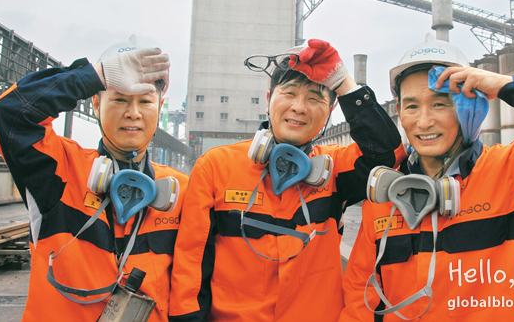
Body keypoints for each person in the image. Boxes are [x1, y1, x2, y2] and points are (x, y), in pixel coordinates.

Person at [340, 33, 514, 321]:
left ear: (469, 106)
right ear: (398, 111)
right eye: (411, 106)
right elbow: (361, 295)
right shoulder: (387, 194)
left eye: (440, 104)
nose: (423, 121)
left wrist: (507, 86)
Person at [168, 39, 406, 322]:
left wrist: (344, 84)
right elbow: (191, 266)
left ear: (330, 112)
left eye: (315, 98)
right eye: (289, 93)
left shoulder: (335, 169)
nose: (299, 107)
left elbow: (388, 155)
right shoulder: (216, 167)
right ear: (269, 98)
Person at [0, 35, 190, 322]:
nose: (133, 113)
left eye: (145, 101)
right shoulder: (59, 169)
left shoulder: (181, 189)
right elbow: (10, 115)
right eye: (119, 99)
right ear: (95, 103)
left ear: (159, 106)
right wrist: (95, 75)